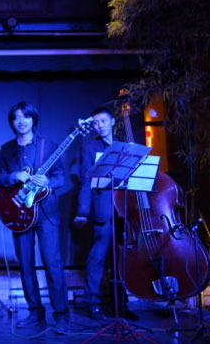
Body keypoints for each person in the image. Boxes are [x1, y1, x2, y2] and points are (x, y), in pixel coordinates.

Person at [0, 101, 69, 332]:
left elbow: (61, 177)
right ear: (11, 122)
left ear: (33, 120)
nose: (21, 121)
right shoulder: (6, 149)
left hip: (46, 212)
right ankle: (35, 313)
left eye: (25, 116)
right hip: (20, 213)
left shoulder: (49, 145)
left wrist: (48, 181)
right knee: (26, 266)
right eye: (16, 117)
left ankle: (61, 315)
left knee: (53, 264)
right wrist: (13, 176)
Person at [73, 107, 136, 320]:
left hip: (125, 210)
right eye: (95, 122)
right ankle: (93, 302)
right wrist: (82, 212)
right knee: (97, 257)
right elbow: (85, 181)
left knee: (123, 258)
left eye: (103, 121)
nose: (99, 125)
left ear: (112, 122)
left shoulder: (125, 145)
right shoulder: (90, 147)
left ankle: (121, 305)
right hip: (103, 209)